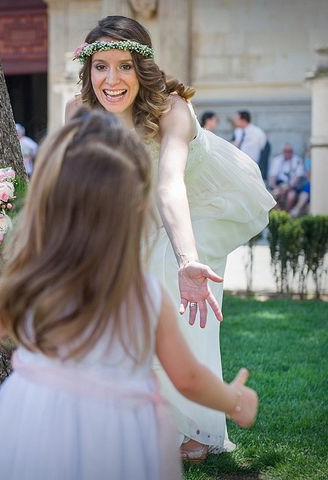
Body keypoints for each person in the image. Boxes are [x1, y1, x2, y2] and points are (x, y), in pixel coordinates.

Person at [0, 111, 258, 480]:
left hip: (36, 422)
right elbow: (188, 378)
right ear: (139, 209)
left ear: (47, 203)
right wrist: (233, 401)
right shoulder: (145, 297)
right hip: (119, 435)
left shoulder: (32, 284)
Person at [66, 16, 274, 462]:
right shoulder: (77, 111)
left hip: (206, 200)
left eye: (124, 66)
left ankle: (202, 430)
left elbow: (171, 185)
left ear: (142, 68)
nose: (112, 79)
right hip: (143, 207)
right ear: (88, 69)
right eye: (100, 66)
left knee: (174, 284)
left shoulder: (171, 109)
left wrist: (187, 260)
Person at [268, 143, 305, 211]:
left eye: (290, 151)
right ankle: (279, 213)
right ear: (283, 151)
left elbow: (298, 178)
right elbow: (272, 177)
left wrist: (288, 188)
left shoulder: (297, 160)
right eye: (286, 151)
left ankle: (286, 214)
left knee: (291, 196)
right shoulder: (277, 160)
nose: (288, 153)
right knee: (271, 196)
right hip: (279, 186)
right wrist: (276, 187)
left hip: (292, 187)